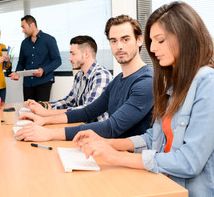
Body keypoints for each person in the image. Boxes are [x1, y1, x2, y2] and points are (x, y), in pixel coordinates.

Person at [73, 2, 214, 196]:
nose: (152, 48)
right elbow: (155, 137)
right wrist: (107, 143)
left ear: (185, 38)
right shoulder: (174, 84)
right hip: (165, 183)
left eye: (160, 40)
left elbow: (189, 162)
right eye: (151, 41)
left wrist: (117, 158)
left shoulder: (208, 82)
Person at [14, 14, 153, 141]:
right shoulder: (118, 80)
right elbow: (87, 111)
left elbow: (111, 126)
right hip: (108, 148)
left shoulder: (146, 81)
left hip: (131, 158)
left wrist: (50, 133)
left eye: (125, 39)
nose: (119, 46)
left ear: (139, 40)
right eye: (113, 41)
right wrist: (45, 120)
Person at [24, 35, 112, 122]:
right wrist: (44, 106)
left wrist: (46, 113)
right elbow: (69, 101)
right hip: (81, 125)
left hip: (96, 130)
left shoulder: (101, 75)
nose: (69, 59)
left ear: (86, 54)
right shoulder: (79, 75)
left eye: (73, 54)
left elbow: (88, 110)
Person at [9, 15, 61, 101]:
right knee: (28, 110)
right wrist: (17, 73)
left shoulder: (49, 39)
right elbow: (21, 62)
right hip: (28, 84)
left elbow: (57, 60)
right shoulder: (24, 43)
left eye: (24, 27)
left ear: (32, 25)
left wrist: (43, 70)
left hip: (44, 81)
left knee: (41, 110)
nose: (23, 31)